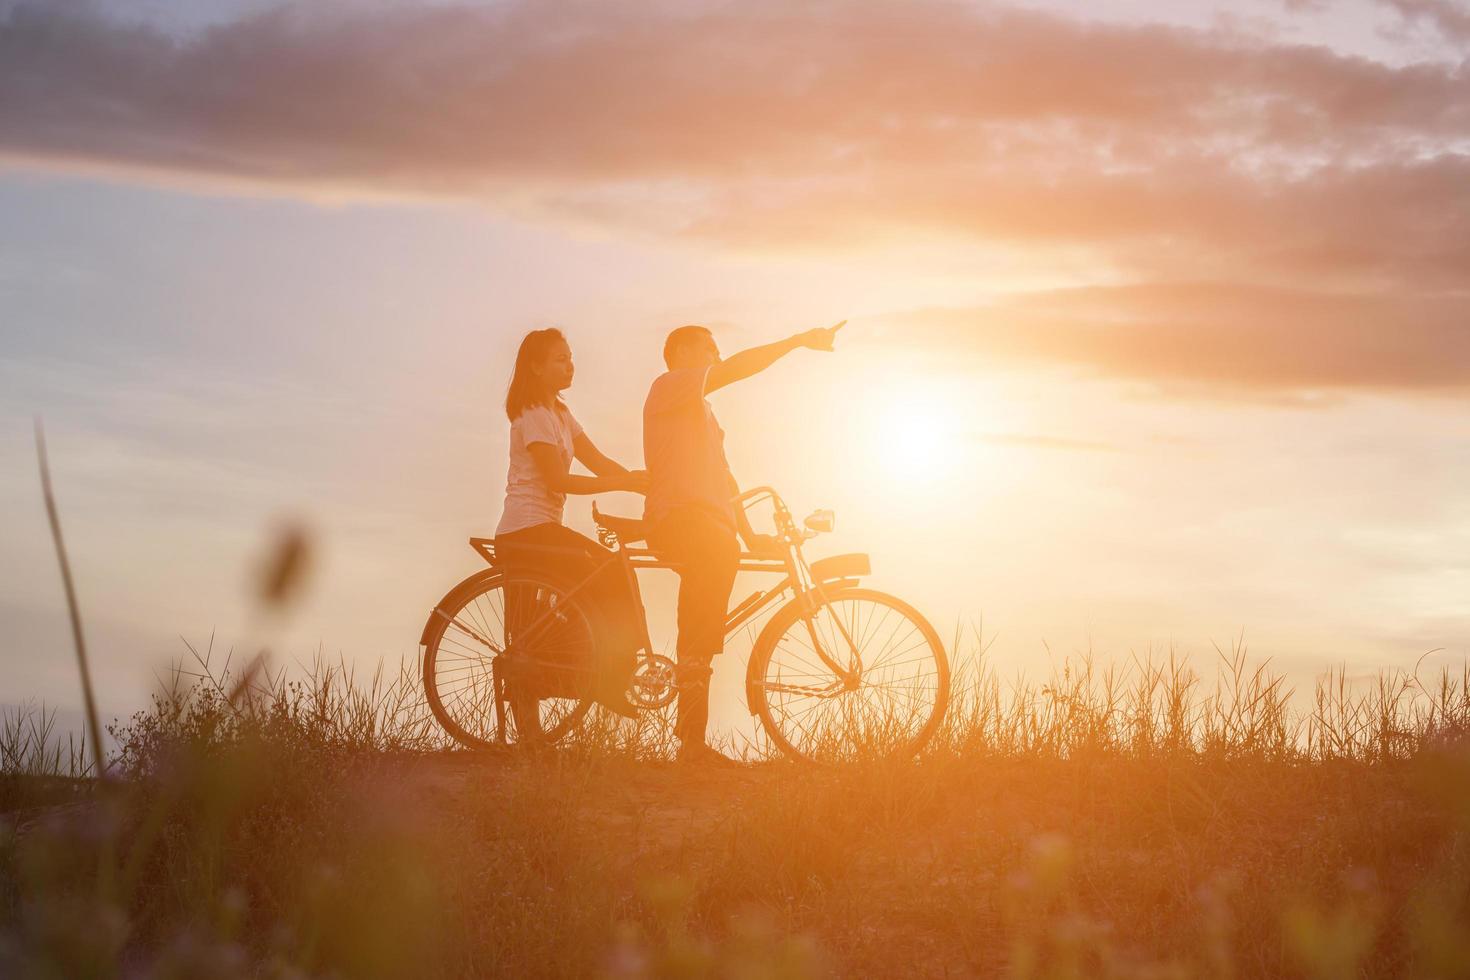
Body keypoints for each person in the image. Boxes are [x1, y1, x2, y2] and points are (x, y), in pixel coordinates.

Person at [643, 320, 845, 764]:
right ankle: (692, 742)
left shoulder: (705, 418)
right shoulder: (670, 386)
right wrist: (794, 340)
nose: (716, 358)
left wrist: (752, 535)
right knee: (706, 604)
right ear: (680, 353)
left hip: (707, 524)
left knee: (716, 578)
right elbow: (737, 369)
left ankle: (692, 723)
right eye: (708, 349)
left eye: (717, 351)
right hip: (679, 519)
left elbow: (727, 483)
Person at [494, 328, 648, 718]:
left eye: (570, 357)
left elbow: (597, 462)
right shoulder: (533, 415)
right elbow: (558, 481)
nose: (570, 365)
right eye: (560, 359)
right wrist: (621, 482)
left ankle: (592, 677)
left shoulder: (561, 414)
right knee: (609, 578)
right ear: (536, 366)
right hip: (527, 532)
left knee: (530, 636)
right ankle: (606, 679)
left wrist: (638, 483)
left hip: (539, 531)